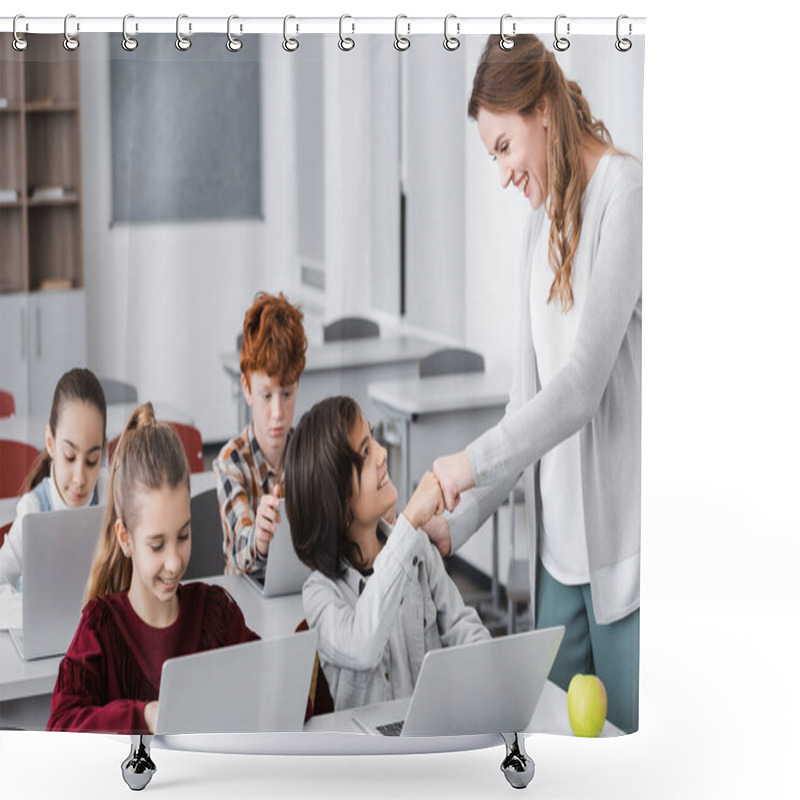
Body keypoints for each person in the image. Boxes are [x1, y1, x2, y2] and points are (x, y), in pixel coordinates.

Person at [429, 34, 642, 733]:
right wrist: (452, 527)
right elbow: (527, 405)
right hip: (559, 565)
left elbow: (580, 388)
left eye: (503, 147)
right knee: (553, 750)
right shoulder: (536, 227)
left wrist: (465, 464)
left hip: (625, 564)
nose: (502, 172)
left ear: (542, 109)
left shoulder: (626, 198)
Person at [47, 403, 259, 734]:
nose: (174, 562)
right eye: (157, 545)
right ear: (125, 538)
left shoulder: (216, 616)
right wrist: (143, 716)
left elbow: (283, 689)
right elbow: (60, 727)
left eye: (184, 535)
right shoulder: (99, 629)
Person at [284, 396, 490, 712]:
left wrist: (494, 676)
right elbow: (362, 645)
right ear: (337, 504)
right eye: (365, 452)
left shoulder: (418, 548)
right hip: (368, 756)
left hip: (429, 740)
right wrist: (409, 522)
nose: (382, 453)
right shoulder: (320, 595)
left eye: (374, 439)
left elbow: (462, 629)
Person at [214, 292, 308, 575]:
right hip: (245, 604)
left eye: (287, 393)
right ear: (246, 389)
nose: (278, 412)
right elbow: (240, 549)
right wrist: (260, 539)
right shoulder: (231, 461)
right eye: (266, 395)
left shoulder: (308, 454)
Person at [0, 368, 108, 590]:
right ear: (50, 442)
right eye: (69, 457)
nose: (79, 478)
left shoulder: (111, 493)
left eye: (92, 460)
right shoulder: (33, 510)